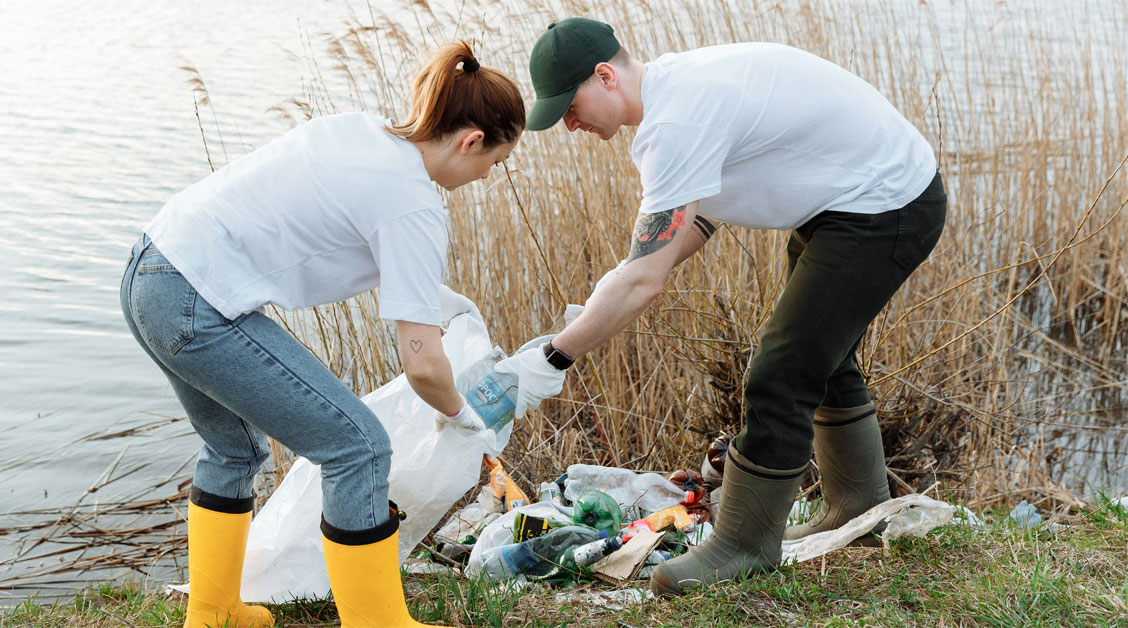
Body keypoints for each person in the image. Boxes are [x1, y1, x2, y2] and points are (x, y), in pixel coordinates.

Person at [497, 17, 947, 596]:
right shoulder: (679, 92)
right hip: (846, 204)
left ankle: (744, 545)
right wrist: (616, 285)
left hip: (884, 204)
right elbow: (687, 228)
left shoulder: (674, 122)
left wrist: (556, 357)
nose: (569, 124)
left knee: (782, 371)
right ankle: (859, 506)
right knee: (819, 356)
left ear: (605, 76)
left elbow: (645, 280)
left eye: (569, 106)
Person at [119, 41, 525, 628]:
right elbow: (425, 366)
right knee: (358, 448)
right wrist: (467, 420)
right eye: (497, 161)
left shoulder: (362, 133)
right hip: (193, 300)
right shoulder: (413, 204)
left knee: (234, 449)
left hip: (150, 270)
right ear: (471, 141)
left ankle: (213, 614)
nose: (489, 175)